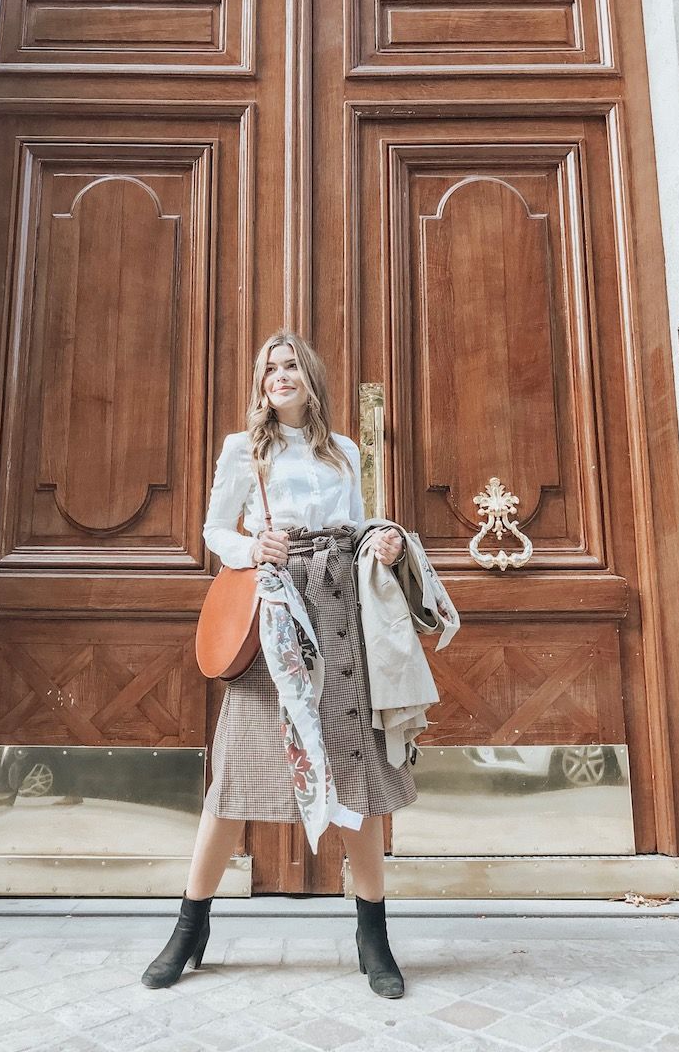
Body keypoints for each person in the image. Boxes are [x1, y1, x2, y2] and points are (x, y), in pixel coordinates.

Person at [141, 331, 414, 998]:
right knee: (236, 773)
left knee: (355, 777)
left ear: (309, 376)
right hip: (276, 618)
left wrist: (381, 540)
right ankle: (189, 926)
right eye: (270, 369)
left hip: (341, 619)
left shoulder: (344, 449)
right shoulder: (245, 449)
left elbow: (356, 527)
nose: (280, 377)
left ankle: (373, 936)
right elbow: (214, 531)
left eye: (290, 366)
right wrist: (252, 547)